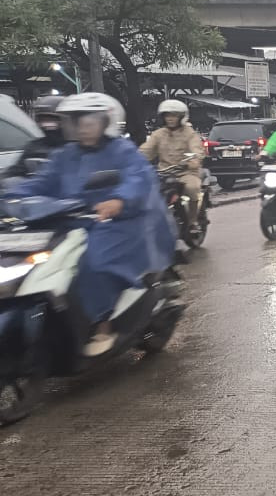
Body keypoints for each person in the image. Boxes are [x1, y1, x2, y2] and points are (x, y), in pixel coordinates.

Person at [6, 93, 175, 356]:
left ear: (105, 121)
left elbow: (138, 178)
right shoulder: (66, 154)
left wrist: (119, 200)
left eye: (88, 121)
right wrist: (8, 194)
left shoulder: (121, 150)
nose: (82, 126)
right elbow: (40, 183)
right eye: (75, 121)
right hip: (72, 221)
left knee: (96, 262)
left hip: (119, 222)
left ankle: (102, 323)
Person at [139, 100, 205, 227]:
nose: (170, 118)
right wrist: (133, 160)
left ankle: (193, 221)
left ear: (181, 117)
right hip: (164, 173)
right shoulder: (158, 134)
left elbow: (196, 150)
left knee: (192, 188)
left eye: (174, 115)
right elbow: (146, 151)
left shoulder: (190, 134)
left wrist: (193, 160)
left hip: (186, 172)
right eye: (167, 115)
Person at [4, 94, 67, 178]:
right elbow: (15, 172)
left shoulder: (74, 147)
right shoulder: (34, 146)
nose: (46, 124)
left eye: (51, 119)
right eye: (42, 119)